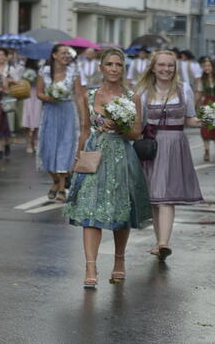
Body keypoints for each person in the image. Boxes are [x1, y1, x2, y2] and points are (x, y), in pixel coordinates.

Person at [65, 48, 152, 288]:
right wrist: (77, 158)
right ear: (101, 68)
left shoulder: (132, 96)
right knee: (90, 211)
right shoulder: (89, 95)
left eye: (118, 65)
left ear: (123, 69)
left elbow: (136, 133)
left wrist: (120, 125)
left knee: (120, 212)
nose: (114, 69)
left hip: (122, 156)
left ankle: (119, 261)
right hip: (95, 155)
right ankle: (90, 266)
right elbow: (84, 128)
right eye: (110, 64)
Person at [135, 50, 203, 262]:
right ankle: (159, 242)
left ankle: (164, 242)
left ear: (175, 68)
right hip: (151, 146)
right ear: (153, 68)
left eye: (170, 66)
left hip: (175, 145)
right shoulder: (143, 92)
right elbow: (137, 123)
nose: (166, 69)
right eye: (162, 65)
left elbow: (190, 119)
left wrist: (207, 120)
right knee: (156, 197)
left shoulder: (184, 89)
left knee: (166, 197)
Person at [37, 44, 83, 202]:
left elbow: (78, 95)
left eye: (68, 53)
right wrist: (49, 97)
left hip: (67, 111)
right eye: (63, 53)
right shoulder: (44, 71)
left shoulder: (74, 72)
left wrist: (84, 117)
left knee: (66, 147)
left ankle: (62, 186)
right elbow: (39, 93)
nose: (66, 55)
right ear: (54, 55)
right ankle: (55, 180)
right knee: (48, 148)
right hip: (50, 112)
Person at [20, 59, 42, 153]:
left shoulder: (40, 71)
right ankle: (29, 142)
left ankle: (35, 142)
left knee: (36, 118)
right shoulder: (22, 70)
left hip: (36, 95)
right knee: (27, 119)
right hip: (26, 94)